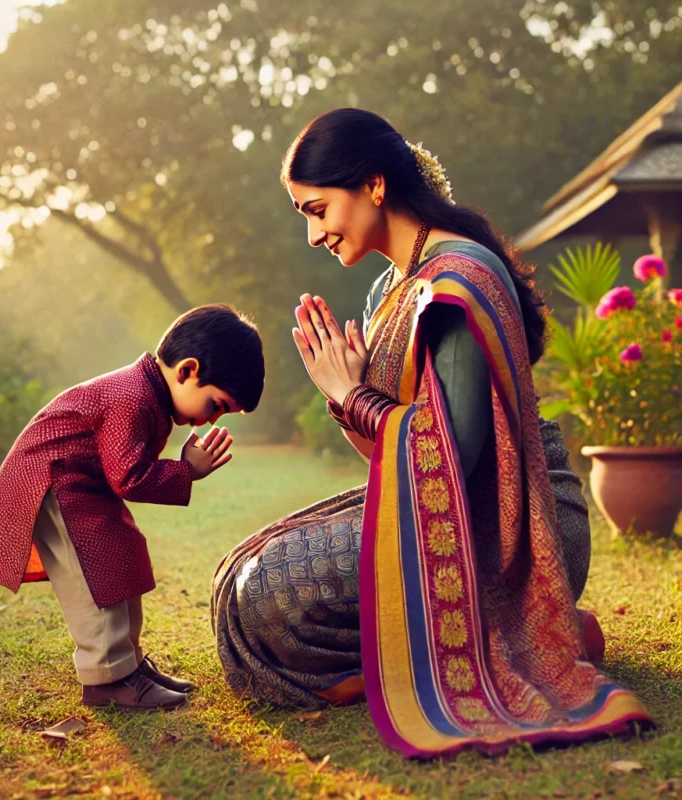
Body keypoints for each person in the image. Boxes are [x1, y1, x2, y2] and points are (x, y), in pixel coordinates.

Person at [212, 109, 651, 758]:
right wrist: (349, 401)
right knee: (242, 575)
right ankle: (504, 636)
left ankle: (516, 630)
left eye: (317, 209)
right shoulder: (392, 289)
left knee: (270, 594)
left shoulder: (456, 280)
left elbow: (455, 453)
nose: (311, 234)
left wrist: (351, 394)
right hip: (437, 512)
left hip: (516, 529)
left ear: (374, 185)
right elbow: (389, 461)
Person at [0, 304, 264, 711]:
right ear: (187, 371)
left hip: (84, 485)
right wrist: (185, 471)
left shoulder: (149, 395)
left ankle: (129, 664)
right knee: (95, 576)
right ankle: (107, 679)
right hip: (54, 482)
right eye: (216, 405)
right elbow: (129, 477)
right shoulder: (132, 397)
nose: (209, 421)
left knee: (122, 559)